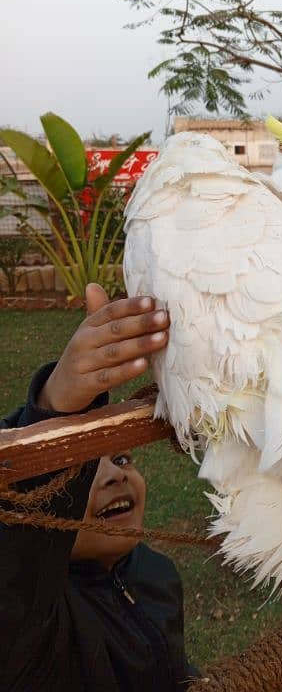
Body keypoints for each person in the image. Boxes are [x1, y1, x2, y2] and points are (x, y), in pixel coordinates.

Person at [0, 283, 199, 692]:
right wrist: (56, 407)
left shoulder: (157, 575)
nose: (115, 475)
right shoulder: (35, 623)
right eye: (88, 473)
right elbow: (19, 553)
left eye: (124, 458)